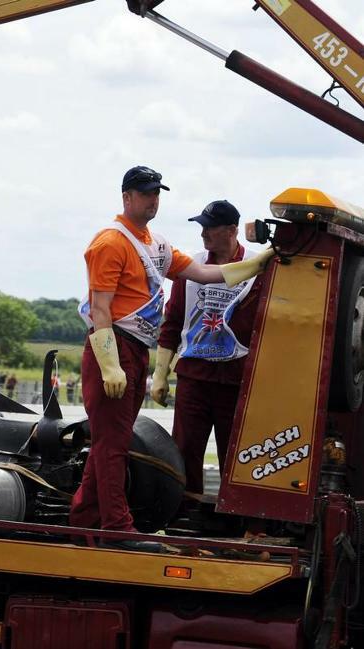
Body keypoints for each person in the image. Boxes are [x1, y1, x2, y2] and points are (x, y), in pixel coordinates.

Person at [71, 166, 273, 551]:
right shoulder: (111, 242)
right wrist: (110, 364)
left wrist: (261, 262)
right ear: (126, 197)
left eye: (156, 193)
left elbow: (203, 272)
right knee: (113, 444)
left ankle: (85, 517)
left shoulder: (156, 244)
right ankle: (117, 528)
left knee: (109, 442)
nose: (152, 200)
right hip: (114, 345)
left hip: (135, 350)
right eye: (145, 193)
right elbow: (100, 308)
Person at [151, 200, 263, 496]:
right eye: (202, 227)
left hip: (236, 379)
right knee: (185, 450)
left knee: (237, 454)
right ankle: (184, 516)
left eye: (210, 227)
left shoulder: (258, 269)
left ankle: (236, 521)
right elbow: (172, 322)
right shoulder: (192, 266)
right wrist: (160, 375)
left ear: (231, 230)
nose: (204, 234)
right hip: (194, 376)